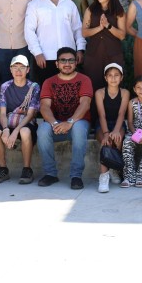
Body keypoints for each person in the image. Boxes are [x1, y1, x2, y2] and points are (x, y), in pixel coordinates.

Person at [36, 47, 93, 189]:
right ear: (56, 63)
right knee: (43, 130)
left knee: (79, 128)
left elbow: (85, 104)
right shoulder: (49, 82)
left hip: (79, 123)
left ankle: (76, 176)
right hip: (56, 125)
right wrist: (54, 123)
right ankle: (50, 174)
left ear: (76, 62)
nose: (67, 64)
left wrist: (70, 122)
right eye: (63, 60)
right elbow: (44, 106)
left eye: (71, 60)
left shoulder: (84, 80)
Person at [25, 0, 85, 85]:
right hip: (45, 58)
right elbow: (29, 31)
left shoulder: (69, 4)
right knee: (47, 93)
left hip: (69, 59)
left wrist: (80, 50)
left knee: (69, 91)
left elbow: (77, 28)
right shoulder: (34, 5)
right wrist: (37, 53)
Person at [0, 54, 41, 185]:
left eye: (22, 67)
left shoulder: (33, 87)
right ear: (10, 70)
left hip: (25, 122)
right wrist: (6, 129)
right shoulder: (5, 86)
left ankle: (27, 169)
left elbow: (30, 114)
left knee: (25, 132)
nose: (18, 71)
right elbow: (2, 113)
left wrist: (15, 131)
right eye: (15, 67)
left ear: (28, 70)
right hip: (9, 120)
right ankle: (3, 168)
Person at [82, 0, 126, 93]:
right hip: (93, 55)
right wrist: (99, 28)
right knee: (93, 85)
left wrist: (108, 25)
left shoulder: (119, 11)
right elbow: (84, 33)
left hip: (113, 55)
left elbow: (122, 35)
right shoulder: (90, 10)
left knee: (114, 87)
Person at [95, 62, 129, 193]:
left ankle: (114, 169)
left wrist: (115, 130)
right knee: (107, 142)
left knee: (117, 138)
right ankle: (103, 177)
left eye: (116, 75)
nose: (113, 78)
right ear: (105, 78)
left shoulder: (125, 92)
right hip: (103, 123)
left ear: (121, 77)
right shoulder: (100, 93)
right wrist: (105, 133)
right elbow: (101, 114)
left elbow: (121, 113)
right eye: (110, 75)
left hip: (118, 123)